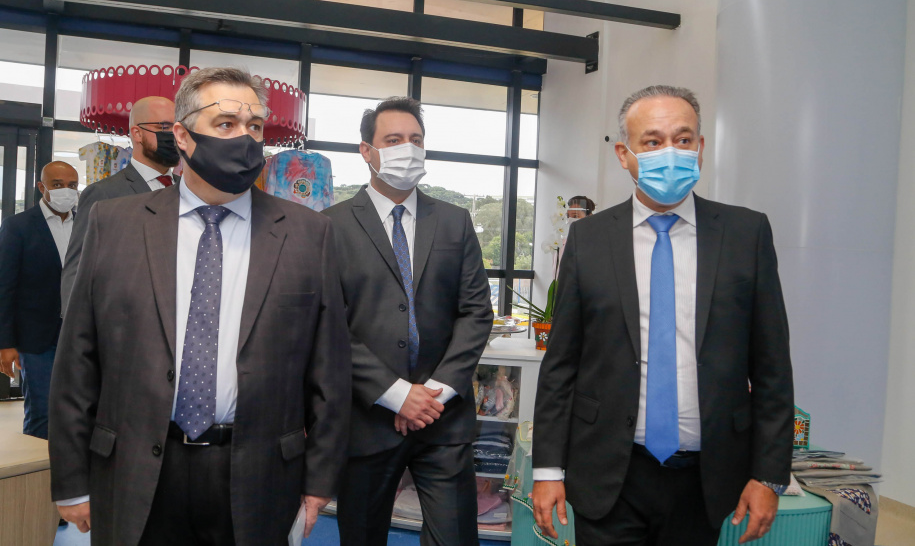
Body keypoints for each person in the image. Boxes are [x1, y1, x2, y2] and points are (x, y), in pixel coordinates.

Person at [48, 67, 351, 546]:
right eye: (226, 124)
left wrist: (319, 482)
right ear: (183, 136)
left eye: (254, 127)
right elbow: (77, 358)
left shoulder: (308, 233)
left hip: (258, 473)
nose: (245, 139)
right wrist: (69, 479)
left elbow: (329, 371)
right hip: (135, 468)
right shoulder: (115, 223)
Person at [531, 85, 794, 546]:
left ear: (701, 148)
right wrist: (548, 470)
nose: (670, 152)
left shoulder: (745, 233)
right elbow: (561, 368)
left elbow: (772, 367)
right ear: (624, 154)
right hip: (609, 471)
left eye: (684, 138)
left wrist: (768, 476)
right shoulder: (589, 239)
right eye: (652, 142)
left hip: (707, 476)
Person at [324, 97, 493, 546]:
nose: (407, 149)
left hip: (444, 418)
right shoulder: (329, 226)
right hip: (366, 418)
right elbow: (329, 326)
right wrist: (397, 396)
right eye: (393, 140)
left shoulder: (455, 222)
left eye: (415, 140)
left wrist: (431, 395)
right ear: (366, 150)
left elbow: (476, 312)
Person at [60, 95, 181, 316]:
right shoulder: (104, 194)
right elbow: (78, 272)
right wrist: (81, 340)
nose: (172, 135)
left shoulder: (191, 193)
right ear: (137, 133)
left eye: (177, 127)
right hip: (124, 326)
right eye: (163, 126)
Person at [0, 161, 79, 439]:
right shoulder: (17, 226)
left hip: (79, 334)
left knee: (76, 411)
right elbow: (5, 287)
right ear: (41, 187)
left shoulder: (87, 225)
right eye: (57, 185)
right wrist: (5, 343)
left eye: (72, 185)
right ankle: (41, 478)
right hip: (35, 338)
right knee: (43, 412)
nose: (65, 191)